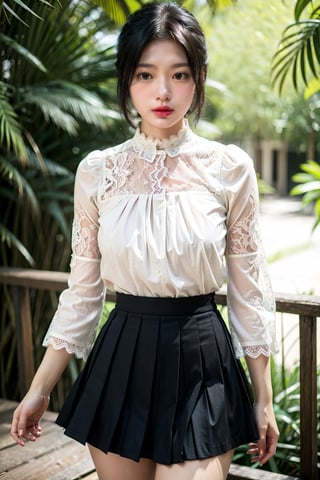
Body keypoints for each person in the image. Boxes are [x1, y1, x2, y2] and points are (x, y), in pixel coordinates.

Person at [10, 2, 279, 479]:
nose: (162, 91)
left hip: (202, 360)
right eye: (145, 74)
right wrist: (39, 387)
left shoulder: (229, 168)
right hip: (123, 357)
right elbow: (83, 292)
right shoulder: (97, 171)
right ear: (126, 81)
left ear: (197, 80)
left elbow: (249, 291)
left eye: (178, 75)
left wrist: (263, 397)